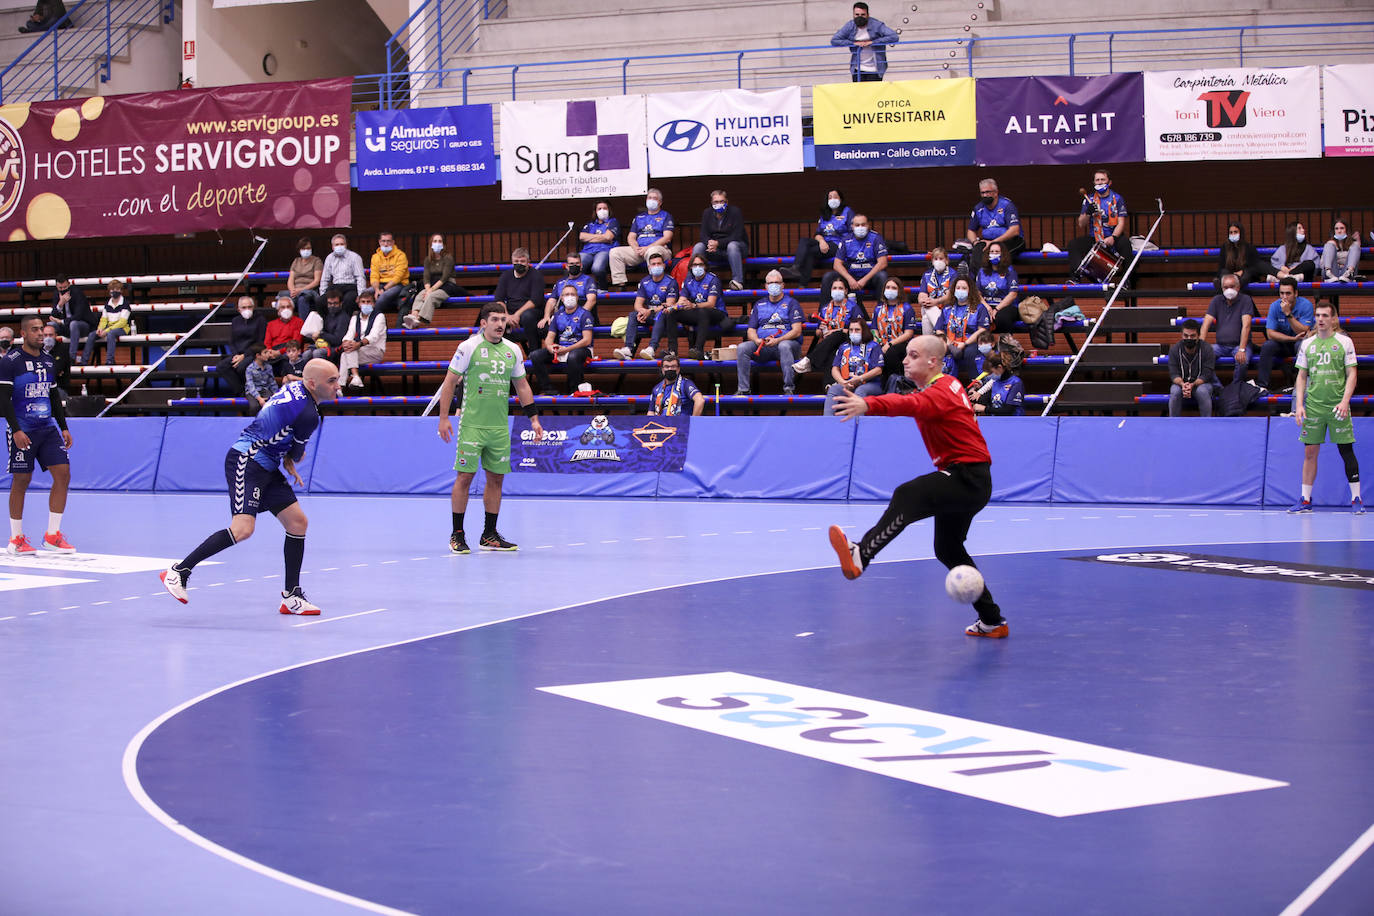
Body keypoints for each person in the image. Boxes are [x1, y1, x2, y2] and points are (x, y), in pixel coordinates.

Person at [828, 335, 1008, 638]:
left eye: (913, 355)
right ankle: (992, 620)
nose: (905, 360)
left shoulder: (940, 392)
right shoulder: (948, 385)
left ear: (932, 361)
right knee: (948, 549)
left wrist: (867, 404)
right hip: (971, 479)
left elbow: (908, 404)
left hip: (967, 477)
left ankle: (862, 554)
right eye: (906, 355)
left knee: (908, 494)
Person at [159, 359, 342, 614]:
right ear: (312, 383)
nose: (338, 385)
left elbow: (281, 421)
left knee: (297, 522)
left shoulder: (294, 386)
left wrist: (284, 458)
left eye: (337, 378)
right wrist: (291, 458)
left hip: (266, 464)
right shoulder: (309, 415)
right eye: (331, 381)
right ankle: (178, 572)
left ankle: (291, 596)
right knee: (243, 529)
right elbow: (298, 451)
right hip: (248, 460)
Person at [436, 302, 542, 554]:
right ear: (483, 323)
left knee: (496, 479)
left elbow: (522, 386)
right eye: (494, 319)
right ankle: (457, 534)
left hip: (499, 427)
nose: (499, 324)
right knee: (465, 478)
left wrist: (534, 418)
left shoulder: (513, 350)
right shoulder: (469, 346)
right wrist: (444, 418)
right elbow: (449, 383)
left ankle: (489, 534)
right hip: (472, 425)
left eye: (503, 320)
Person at [1, 316, 75, 555]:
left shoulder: (48, 361)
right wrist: (16, 430)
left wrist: (63, 426)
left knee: (63, 474)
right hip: (23, 428)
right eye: (35, 330)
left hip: (47, 428)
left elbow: (53, 397)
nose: (41, 334)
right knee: (22, 480)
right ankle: (16, 539)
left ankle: (52, 536)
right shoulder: (10, 361)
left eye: (42, 329)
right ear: (23, 334)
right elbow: (3, 398)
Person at [1289, 301, 1363, 514]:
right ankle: (1305, 500)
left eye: (1324, 315)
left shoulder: (1344, 342)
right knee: (1310, 452)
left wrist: (1344, 401)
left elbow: (1352, 374)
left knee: (1346, 449)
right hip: (1314, 407)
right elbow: (1302, 376)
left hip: (1337, 406)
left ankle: (1356, 499)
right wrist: (1300, 405)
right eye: (1318, 315)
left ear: (1333, 319)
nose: (1320, 319)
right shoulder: (1307, 344)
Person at [735, 270, 804, 396]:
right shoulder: (759, 304)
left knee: (784, 346)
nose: (773, 285)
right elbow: (750, 330)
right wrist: (756, 340)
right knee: (742, 348)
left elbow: (797, 330)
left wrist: (778, 340)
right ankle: (743, 389)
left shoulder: (792, 303)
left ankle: (789, 388)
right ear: (765, 286)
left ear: (783, 285)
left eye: (777, 282)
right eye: (770, 283)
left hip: (786, 347)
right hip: (763, 347)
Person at [1066, 169, 1133, 279]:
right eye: (1097, 180)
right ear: (1094, 183)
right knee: (1073, 244)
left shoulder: (1118, 198)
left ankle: (1126, 281)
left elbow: (1121, 223)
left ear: (1109, 182)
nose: (1100, 182)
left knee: (1125, 244)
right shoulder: (1089, 199)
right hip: (1095, 238)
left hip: (1113, 237)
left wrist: (1113, 237)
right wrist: (1088, 212)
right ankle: (1076, 278)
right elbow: (1081, 224)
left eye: (1103, 179)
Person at [529, 286, 594, 395]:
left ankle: (575, 391)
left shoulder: (585, 314)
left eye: (573, 294)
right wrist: (550, 347)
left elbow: (587, 340)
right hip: (562, 349)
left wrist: (566, 349)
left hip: (582, 350)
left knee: (573, 357)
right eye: (566, 294)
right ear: (562, 298)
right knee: (535, 355)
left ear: (577, 297)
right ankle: (548, 389)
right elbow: (549, 338)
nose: (570, 297)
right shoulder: (558, 315)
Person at [614, 251, 678, 361]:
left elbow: (669, 305)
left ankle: (651, 348)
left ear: (663, 265)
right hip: (650, 315)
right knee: (633, 315)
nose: (656, 266)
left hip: (666, 317)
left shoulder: (671, 282)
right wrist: (642, 311)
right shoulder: (645, 281)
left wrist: (650, 311)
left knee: (662, 313)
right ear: (649, 267)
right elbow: (637, 304)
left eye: (659, 264)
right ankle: (628, 348)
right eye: (653, 264)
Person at [608, 188, 675, 290]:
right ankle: (620, 285)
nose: (651, 200)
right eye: (649, 198)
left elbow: (667, 237)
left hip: (660, 249)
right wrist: (636, 248)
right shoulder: (639, 217)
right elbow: (631, 237)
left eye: (655, 198)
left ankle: (652, 284)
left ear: (660, 202)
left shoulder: (666, 216)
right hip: (639, 250)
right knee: (615, 252)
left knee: (652, 251)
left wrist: (647, 248)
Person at [1257, 277, 1314, 391]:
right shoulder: (1274, 306)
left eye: (1288, 293)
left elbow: (1302, 332)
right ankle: (1262, 386)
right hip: (1284, 343)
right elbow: (1270, 334)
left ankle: (1300, 385)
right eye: (1282, 293)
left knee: (1302, 344)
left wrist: (1288, 314)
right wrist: (1292, 339)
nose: (1284, 297)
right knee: (1268, 345)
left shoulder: (1306, 305)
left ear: (1296, 293)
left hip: (1299, 343)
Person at [792, 276, 858, 376]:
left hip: (848, 341)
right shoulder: (825, 308)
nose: (837, 290)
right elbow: (818, 333)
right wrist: (821, 330)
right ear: (831, 290)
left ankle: (809, 360)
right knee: (832, 354)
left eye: (840, 288)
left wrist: (836, 331)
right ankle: (828, 387)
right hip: (830, 344)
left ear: (846, 291)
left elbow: (859, 329)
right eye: (834, 288)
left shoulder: (853, 306)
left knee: (837, 335)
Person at [821, 212, 887, 311]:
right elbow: (837, 264)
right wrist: (850, 279)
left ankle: (882, 311)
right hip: (851, 278)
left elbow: (882, 262)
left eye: (863, 224)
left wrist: (864, 280)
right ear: (852, 226)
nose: (860, 227)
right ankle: (823, 311)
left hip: (870, 277)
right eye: (857, 225)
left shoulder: (876, 238)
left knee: (882, 276)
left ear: (868, 225)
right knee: (828, 277)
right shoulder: (846, 240)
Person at [669, 254, 729, 361]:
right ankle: (672, 351)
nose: (697, 267)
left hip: (716, 312)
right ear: (691, 267)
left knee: (702, 311)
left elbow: (711, 304)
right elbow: (681, 300)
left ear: (705, 266)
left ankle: (698, 349)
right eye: (695, 265)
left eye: (700, 264)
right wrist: (672, 307)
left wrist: (693, 305)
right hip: (698, 312)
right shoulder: (688, 281)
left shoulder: (713, 279)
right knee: (672, 313)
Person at [786, 189, 853, 283]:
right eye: (830, 197)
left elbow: (851, 232)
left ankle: (802, 284)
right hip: (825, 243)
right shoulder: (825, 214)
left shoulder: (847, 211)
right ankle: (795, 268)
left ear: (841, 199)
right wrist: (822, 242)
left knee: (810, 252)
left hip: (838, 244)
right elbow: (817, 234)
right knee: (804, 241)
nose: (832, 199)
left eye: (835, 197)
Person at [1199, 273, 1257, 381]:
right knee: (1200, 357)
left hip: (1240, 345)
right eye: (1226, 287)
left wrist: (1242, 349)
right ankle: (1219, 389)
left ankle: (1235, 390)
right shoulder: (1216, 300)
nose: (1229, 290)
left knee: (1242, 361)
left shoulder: (1245, 300)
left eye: (1232, 286)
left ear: (1238, 287)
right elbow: (1206, 324)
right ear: (1222, 288)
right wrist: (1200, 345)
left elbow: (1246, 326)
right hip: (1220, 346)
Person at [823, 317, 883, 415]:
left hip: (870, 384)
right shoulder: (844, 347)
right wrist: (842, 382)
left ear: (864, 331)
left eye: (857, 330)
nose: (853, 332)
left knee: (860, 390)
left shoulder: (874, 346)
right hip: (847, 383)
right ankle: (828, 422)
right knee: (833, 389)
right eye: (851, 330)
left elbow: (878, 370)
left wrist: (860, 379)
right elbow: (835, 368)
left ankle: (857, 424)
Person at [964, 178, 1023, 276]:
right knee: (978, 250)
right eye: (982, 193)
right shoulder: (979, 208)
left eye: (987, 192)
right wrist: (975, 242)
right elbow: (971, 230)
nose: (985, 195)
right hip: (988, 242)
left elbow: (1014, 230)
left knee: (998, 252)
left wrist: (994, 242)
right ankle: (979, 281)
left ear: (996, 192)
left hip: (1010, 241)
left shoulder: (1007, 205)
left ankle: (1001, 282)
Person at [936, 276, 990, 382]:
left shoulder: (979, 308)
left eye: (964, 288)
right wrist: (949, 344)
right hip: (950, 343)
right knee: (944, 352)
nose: (960, 290)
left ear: (970, 291)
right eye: (958, 288)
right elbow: (939, 330)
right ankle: (946, 385)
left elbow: (982, 330)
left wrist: (965, 344)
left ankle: (975, 384)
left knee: (970, 352)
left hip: (970, 343)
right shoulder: (947, 308)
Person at [692, 189, 748, 291]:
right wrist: (710, 244)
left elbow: (737, 235)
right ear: (711, 203)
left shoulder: (735, 212)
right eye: (716, 202)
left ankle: (737, 282)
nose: (719, 204)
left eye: (721, 201)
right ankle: (692, 280)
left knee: (733, 245)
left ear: (727, 202)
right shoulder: (707, 213)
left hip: (735, 249)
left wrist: (718, 243)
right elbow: (703, 235)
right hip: (714, 249)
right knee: (698, 246)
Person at [830, 2, 899, 82]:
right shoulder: (850, 25)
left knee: (873, 93)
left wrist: (873, 42)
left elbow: (894, 36)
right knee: (859, 93)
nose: (860, 17)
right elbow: (834, 40)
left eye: (863, 14)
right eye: (857, 14)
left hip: (875, 68)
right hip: (857, 68)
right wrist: (853, 44)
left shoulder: (876, 25)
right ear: (853, 15)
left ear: (868, 15)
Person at [403, 234, 460, 328]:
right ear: (431, 244)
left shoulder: (448, 258)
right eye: (435, 241)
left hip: (447, 285)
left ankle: (419, 319)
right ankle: (413, 316)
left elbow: (444, 278)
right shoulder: (427, 260)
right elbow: (426, 277)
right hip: (432, 284)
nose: (437, 243)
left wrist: (430, 291)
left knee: (431, 297)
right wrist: (427, 289)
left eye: (440, 241)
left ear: (443, 244)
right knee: (420, 295)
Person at [216, 296, 267, 395]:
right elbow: (231, 341)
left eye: (249, 307)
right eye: (244, 307)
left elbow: (260, 341)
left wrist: (244, 356)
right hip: (237, 354)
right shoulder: (235, 321)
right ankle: (240, 391)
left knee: (241, 367)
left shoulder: (260, 320)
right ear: (239, 309)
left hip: (253, 353)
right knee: (221, 366)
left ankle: (249, 391)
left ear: (253, 307)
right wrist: (236, 355)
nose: (247, 310)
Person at [493, 248, 545, 345]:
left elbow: (535, 300)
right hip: (510, 311)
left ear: (528, 262)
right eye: (516, 261)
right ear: (512, 262)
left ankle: (534, 349)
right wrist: (507, 316)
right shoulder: (506, 275)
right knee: (493, 313)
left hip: (531, 311)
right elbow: (499, 299)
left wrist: (517, 314)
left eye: (522, 261)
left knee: (528, 316)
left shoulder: (536, 275)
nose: (519, 263)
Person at [873, 276, 917, 387]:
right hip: (882, 342)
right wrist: (878, 341)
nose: (890, 290)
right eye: (888, 287)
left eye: (893, 287)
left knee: (891, 353)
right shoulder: (878, 309)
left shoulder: (907, 308)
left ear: (899, 291)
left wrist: (890, 344)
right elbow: (874, 330)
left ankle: (895, 384)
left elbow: (909, 333)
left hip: (900, 343)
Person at [338, 290, 388, 389]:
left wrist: (358, 344)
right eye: (363, 302)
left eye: (368, 302)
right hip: (358, 350)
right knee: (346, 351)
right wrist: (346, 343)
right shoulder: (355, 318)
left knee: (348, 352)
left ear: (373, 304)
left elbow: (374, 336)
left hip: (375, 352)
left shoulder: (379, 316)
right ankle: (352, 379)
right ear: (359, 304)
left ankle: (343, 385)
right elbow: (349, 334)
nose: (366, 304)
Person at [1167, 319, 1217, 418]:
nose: (1189, 338)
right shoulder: (1174, 350)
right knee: (1175, 391)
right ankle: (1173, 423)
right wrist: (1183, 385)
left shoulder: (1207, 349)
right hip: (1181, 384)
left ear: (1198, 336)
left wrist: (1192, 384)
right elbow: (1173, 374)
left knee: (1202, 391)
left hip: (1202, 384)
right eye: (1186, 336)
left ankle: (1207, 423)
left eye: (1192, 336)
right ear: (1182, 336)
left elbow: (1207, 374)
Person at [544, 253, 600, 329]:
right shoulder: (560, 282)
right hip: (563, 317)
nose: (574, 266)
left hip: (583, 317)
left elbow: (592, 300)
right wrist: (546, 316)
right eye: (571, 264)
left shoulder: (588, 280)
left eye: (577, 263)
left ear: (581, 266)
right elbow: (551, 301)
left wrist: (578, 316)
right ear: (567, 266)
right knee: (543, 327)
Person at [48, 274, 94, 364]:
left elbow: (78, 316)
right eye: (60, 288)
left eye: (64, 287)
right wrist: (60, 304)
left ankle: (71, 358)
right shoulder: (56, 294)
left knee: (74, 324)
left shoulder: (77, 293)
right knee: (50, 326)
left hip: (83, 325)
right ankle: (49, 356)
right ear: (57, 286)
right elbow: (53, 315)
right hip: (66, 326)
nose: (62, 290)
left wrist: (61, 321)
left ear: (69, 284)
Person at [975, 240, 1020, 332]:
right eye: (991, 252)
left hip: (1005, 306)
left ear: (1002, 254)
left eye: (997, 252)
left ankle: (1006, 342)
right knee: (977, 315)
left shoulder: (1010, 271)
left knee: (1002, 318)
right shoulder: (982, 271)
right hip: (987, 304)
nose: (994, 254)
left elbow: (1013, 294)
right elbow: (977, 293)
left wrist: (996, 309)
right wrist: (987, 308)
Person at [319, 234, 366, 314]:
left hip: (350, 286)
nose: (339, 246)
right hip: (335, 287)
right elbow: (325, 279)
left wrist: (361, 295)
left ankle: (345, 324)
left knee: (349, 300)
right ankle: (327, 324)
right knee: (320, 301)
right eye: (337, 244)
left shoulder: (355, 257)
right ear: (332, 247)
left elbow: (360, 277)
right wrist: (322, 294)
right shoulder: (329, 258)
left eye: (342, 244)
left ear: (346, 245)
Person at [969, 352, 1025, 416]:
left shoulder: (1015, 383)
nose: (988, 376)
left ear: (999, 367)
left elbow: (1008, 410)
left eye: (990, 372)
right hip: (996, 421)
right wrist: (974, 397)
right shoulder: (995, 382)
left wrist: (985, 409)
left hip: (1012, 421)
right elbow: (986, 400)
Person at [1216, 222, 1267, 291]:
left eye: (1235, 232)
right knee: (1224, 273)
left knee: (1247, 274)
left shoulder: (1249, 247)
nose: (1233, 234)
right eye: (1231, 232)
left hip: (1245, 276)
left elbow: (1255, 268)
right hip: (1229, 275)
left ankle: (1232, 288)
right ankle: (1229, 286)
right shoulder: (1224, 248)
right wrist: (1232, 274)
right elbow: (1221, 267)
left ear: (1241, 233)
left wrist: (1242, 271)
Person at [579, 201, 619, 288]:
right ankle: (581, 289)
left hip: (604, 250)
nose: (602, 210)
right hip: (587, 251)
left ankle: (602, 288)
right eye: (599, 209)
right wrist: (602, 237)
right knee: (576, 265)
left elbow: (608, 237)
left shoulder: (613, 222)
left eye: (605, 208)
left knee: (597, 268)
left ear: (609, 210)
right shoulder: (590, 224)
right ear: (595, 211)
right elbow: (582, 236)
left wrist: (590, 238)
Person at [90, 280, 130, 366]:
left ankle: (109, 360)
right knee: (92, 334)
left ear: (121, 291)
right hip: (108, 328)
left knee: (111, 334)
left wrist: (107, 331)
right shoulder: (107, 304)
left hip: (122, 329)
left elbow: (122, 322)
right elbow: (104, 319)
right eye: (112, 289)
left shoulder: (125, 304)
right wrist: (100, 329)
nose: (114, 291)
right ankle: (84, 361)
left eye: (117, 289)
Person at [369, 230, 410, 314]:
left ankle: (374, 318)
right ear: (379, 242)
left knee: (383, 297)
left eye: (388, 241)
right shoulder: (375, 257)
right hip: (380, 284)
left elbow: (398, 277)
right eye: (383, 241)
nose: (386, 244)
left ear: (393, 242)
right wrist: (377, 289)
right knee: (364, 294)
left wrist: (383, 289)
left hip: (398, 284)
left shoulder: (400, 255)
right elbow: (374, 275)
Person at [310, 287, 353, 362]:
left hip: (337, 348)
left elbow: (337, 340)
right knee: (307, 353)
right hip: (326, 344)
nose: (332, 306)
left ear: (341, 303)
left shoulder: (343, 318)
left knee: (318, 353)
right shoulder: (329, 315)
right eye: (330, 303)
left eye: (335, 303)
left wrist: (321, 334)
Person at [917, 247, 954, 334]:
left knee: (926, 318)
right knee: (927, 307)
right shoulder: (927, 274)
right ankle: (942, 332)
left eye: (941, 259)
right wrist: (924, 300)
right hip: (931, 306)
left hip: (947, 308)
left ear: (946, 260)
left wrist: (935, 302)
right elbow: (921, 294)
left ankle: (932, 341)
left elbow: (949, 296)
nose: (938, 261)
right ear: (932, 261)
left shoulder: (953, 274)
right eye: (936, 259)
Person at [285, 237, 323, 319]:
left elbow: (316, 281)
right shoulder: (296, 261)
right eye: (303, 248)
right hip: (295, 291)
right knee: (284, 301)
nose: (306, 250)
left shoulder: (317, 261)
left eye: (308, 248)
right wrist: (292, 290)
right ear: (299, 250)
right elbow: (290, 280)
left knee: (302, 299)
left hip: (309, 291)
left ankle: (303, 325)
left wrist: (301, 290)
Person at [263, 291, 303, 365]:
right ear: (278, 311)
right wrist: (269, 352)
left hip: (289, 351)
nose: (286, 309)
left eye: (288, 307)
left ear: (292, 309)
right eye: (283, 307)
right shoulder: (271, 324)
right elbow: (267, 342)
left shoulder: (298, 322)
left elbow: (296, 342)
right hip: (273, 351)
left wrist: (279, 352)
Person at [1322, 219, 1362, 283]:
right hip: (1332, 273)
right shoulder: (1329, 245)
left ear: (1346, 230)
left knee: (1355, 245)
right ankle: (1329, 273)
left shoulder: (1353, 245)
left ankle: (1348, 273)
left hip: (1346, 273)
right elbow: (1322, 263)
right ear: (1334, 231)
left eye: (1342, 228)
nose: (1339, 231)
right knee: (1329, 245)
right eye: (1336, 229)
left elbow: (1354, 259)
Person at [243, 344, 279, 415]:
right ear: (258, 355)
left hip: (265, 389)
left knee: (271, 404)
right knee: (254, 406)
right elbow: (251, 386)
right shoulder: (250, 369)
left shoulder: (268, 367)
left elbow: (272, 383)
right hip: (252, 392)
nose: (268, 354)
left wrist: (276, 394)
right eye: (265, 352)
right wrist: (260, 399)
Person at [40, 324, 70, 405]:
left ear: (56, 335)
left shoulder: (63, 349)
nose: (48, 337)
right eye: (45, 335)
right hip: (40, 388)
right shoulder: (37, 349)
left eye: (51, 335)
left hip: (58, 387)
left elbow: (57, 370)